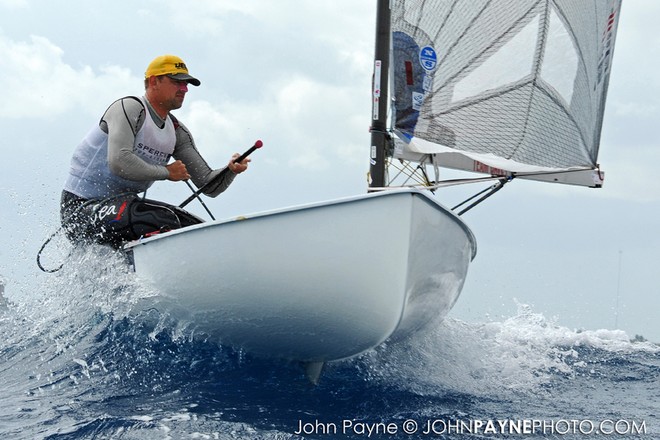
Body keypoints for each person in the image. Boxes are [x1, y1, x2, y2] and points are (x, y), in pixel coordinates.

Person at [60, 54, 250, 247]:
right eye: (177, 82)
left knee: (195, 227)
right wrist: (167, 172)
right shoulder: (129, 108)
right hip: (80, 208)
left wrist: (230, 171)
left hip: (123, 210)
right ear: (154, 81)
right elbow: (119, 162)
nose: (184, 89)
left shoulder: (177, 132)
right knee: (161, 218)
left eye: (186, 85)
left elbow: (209, 186)